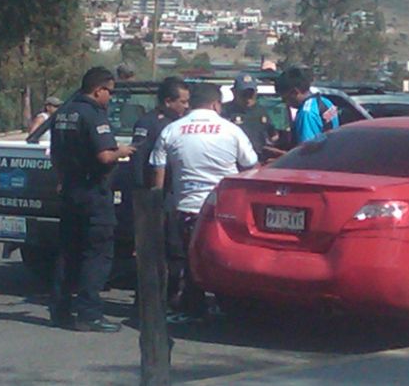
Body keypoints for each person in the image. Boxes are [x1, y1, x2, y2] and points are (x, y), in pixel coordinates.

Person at [150, 83, 259, 323]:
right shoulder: (231, 130)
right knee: (222, 258)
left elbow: (158, 173)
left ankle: (192, 305)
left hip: (185, 206)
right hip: (222, 208)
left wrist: (158, 208)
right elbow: (251, 165)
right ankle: (225, 304)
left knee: (189, 259)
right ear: (216, 104)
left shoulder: (172, 130)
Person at [49, 66, 136, 332]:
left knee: (68, 252)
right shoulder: (93, 114)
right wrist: (122, 151)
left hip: (70, 190)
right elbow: (103, 156)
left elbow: (54, 155)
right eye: (109, 91)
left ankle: (60, 309)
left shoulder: (63, 112)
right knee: (98, 254)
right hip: (93, 192)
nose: (110, 96)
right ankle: (89, 313)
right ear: (98, 90)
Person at [128, 77, 190, 312]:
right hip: (154, 198)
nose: (186, 106)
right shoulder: (150, 123)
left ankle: (172, 297)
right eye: (182, 101)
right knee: (154, 252)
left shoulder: (180, 124)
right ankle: (147, 301)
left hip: (174, 195)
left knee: (175, 252)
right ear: (167, 101)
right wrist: (145, 199)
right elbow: (139, 164)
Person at [221, 73, 281, 162]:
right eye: (243, 94)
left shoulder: (262, 111)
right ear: (234, 92)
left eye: (251, 94)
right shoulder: (224, 112)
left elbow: (273, 135)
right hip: (233, 161)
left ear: (256, 92)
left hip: (259, 160)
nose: (248, 98)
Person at [275, 66, 340, 146]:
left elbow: (306, 151)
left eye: (285, 99)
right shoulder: (326, 102)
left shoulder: (306, 114)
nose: (286, 103)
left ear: (295, 92)